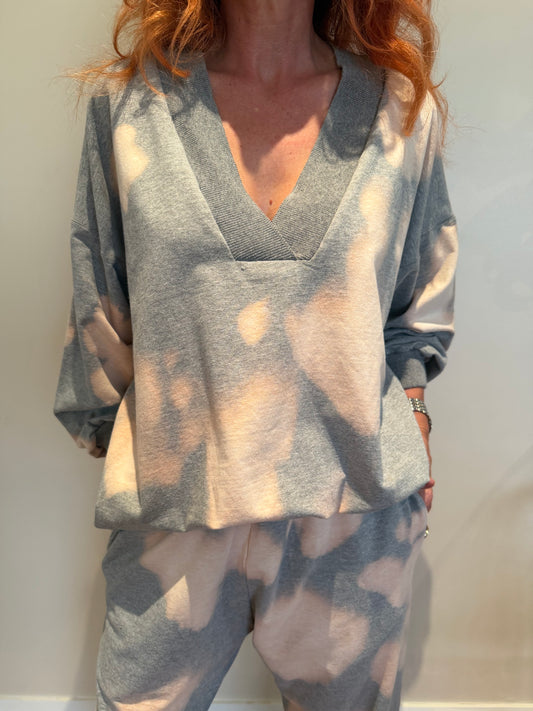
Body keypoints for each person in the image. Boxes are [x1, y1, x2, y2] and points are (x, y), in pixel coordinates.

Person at [53, 0, 458, 708]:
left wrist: (415, 408)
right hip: (175, 514)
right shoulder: (129, 108)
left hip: (352, 520)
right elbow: (101, 302)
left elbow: (415, 299)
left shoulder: (401, 113)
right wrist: (121, 440)